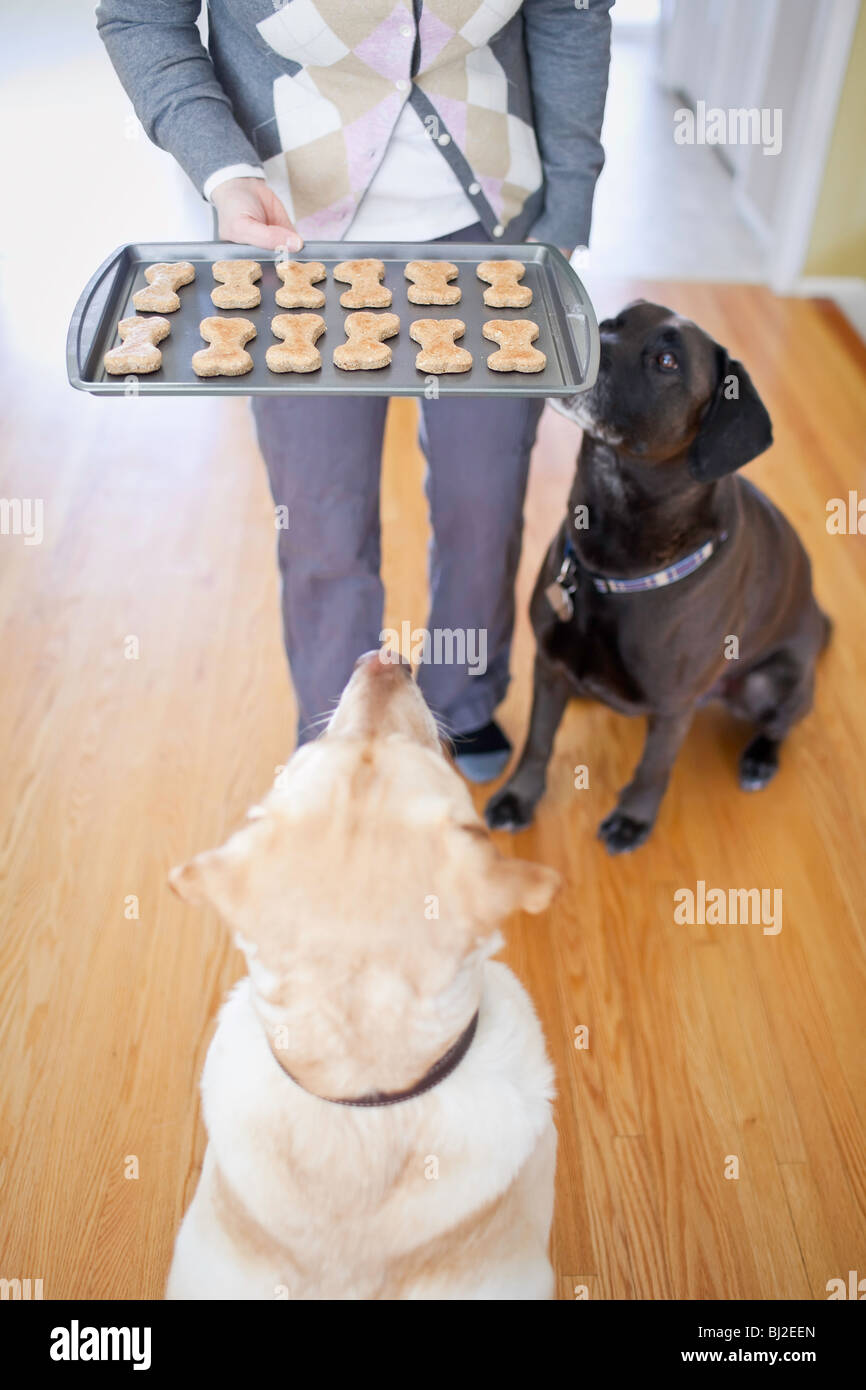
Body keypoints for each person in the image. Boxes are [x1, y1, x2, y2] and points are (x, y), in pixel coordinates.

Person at [97, 0, 612, 779]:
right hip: (286, 227)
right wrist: (225, 170)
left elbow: (572, 13)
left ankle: (462, 705)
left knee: (485, 503)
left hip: (495, 222)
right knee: (319, 521)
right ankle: (337, 733)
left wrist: (568, 198)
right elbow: (141, 17)